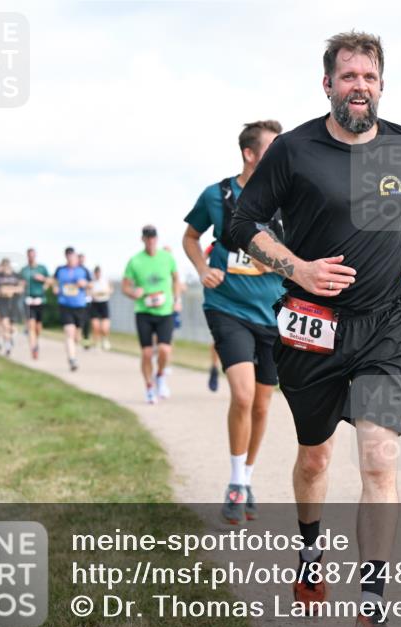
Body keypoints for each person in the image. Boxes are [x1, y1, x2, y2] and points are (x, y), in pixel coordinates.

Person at [229, 31, 401, 627]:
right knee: (316, 458)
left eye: (369, 78)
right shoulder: (294, 149)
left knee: (378, 460)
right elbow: (243, 225)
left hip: (383, 326)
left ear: (381, 85)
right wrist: (298, 269)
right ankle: (311, 544)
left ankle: (371, 610)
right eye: (348, 77)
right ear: (328, 84)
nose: (359, 87)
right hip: (311, 330)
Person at [183, 119, 285, 525]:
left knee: (262, 405)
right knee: (242, 396)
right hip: (227, 308)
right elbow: (191, 237)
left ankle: (246, 477)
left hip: (274, 314)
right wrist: (202, 267)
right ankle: (234, 482)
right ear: (250, 153)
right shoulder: (217, 195)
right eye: (274, 148)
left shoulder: (287, 200)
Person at [122, 225, 181, 404]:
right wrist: (133, 293)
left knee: (164, 349)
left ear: (157, 238)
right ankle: (149, 387)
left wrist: (176, 299)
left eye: (153, 237)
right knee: (147, 353)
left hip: (165, 311)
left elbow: (176, 279)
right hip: (144, 311)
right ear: (143, 239)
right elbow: (125, 286)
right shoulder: (135, 261)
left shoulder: (167, 258)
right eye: (147, 238)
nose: (151, 241)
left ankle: (160, 376)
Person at [53, 247, 90, 371]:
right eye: (68, 256)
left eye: (72, 256)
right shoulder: (60, 270)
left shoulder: (83, 270)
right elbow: (54, 282)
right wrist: (55, 288)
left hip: (79, 305)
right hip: (65, 305)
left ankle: (73, 350)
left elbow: (91, 284)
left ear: (76, 257)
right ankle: (72, 359)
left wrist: (84, 284)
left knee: (76, 336)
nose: (70, 259)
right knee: (69, 332)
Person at [0, 258, 24, 356]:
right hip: (2, 303)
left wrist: (11, 290)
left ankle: (9, 339)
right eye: (3, 266)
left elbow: (21, 288)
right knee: (4, 324)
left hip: (13, 303)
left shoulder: (16, 276)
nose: (5, 268)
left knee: (12, 327)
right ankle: (7, 346)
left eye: (6, 266)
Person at [20, 248, 50, 360]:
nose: (31, 257)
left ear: (35, 256)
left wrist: (43, 280)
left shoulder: (42, 268)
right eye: (29, 255)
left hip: (40, 300)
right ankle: (33, 348)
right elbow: (20, 284)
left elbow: (50, 281)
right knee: (31, 325)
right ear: (27, 256)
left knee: (38, 328)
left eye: (33, 255)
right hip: (28, 300)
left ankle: (36, 342)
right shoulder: (24, 270)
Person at [203, 241, 222, 392]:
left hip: (252, 298)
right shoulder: (216, 244)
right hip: (222, 297)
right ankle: (214, 368)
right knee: (218, 338)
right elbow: (202, 259)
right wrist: (207, 272)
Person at [88, 266, 113, 351]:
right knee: (95, 326)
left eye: (99, 273)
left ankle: (105, 339)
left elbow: (111, 290)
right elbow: (87, 292)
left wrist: (105, 292)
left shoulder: (105, 280)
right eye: (96, 273)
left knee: (104, 328)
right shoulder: (91, 282)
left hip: (104, 303)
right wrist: (92, 293)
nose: (97, 274)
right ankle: (97, 343)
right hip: (95, 304)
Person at [78, 253, 95, 349]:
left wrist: (85, 284)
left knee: (86, 321)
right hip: (75, 301)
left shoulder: (86, 271)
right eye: (79, 259)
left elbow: (91, 285)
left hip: (85, 299)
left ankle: (86, 339)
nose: (81, 261)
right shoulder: (73, 270)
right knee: (79, 320)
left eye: (82, 259)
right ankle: (76, 337)